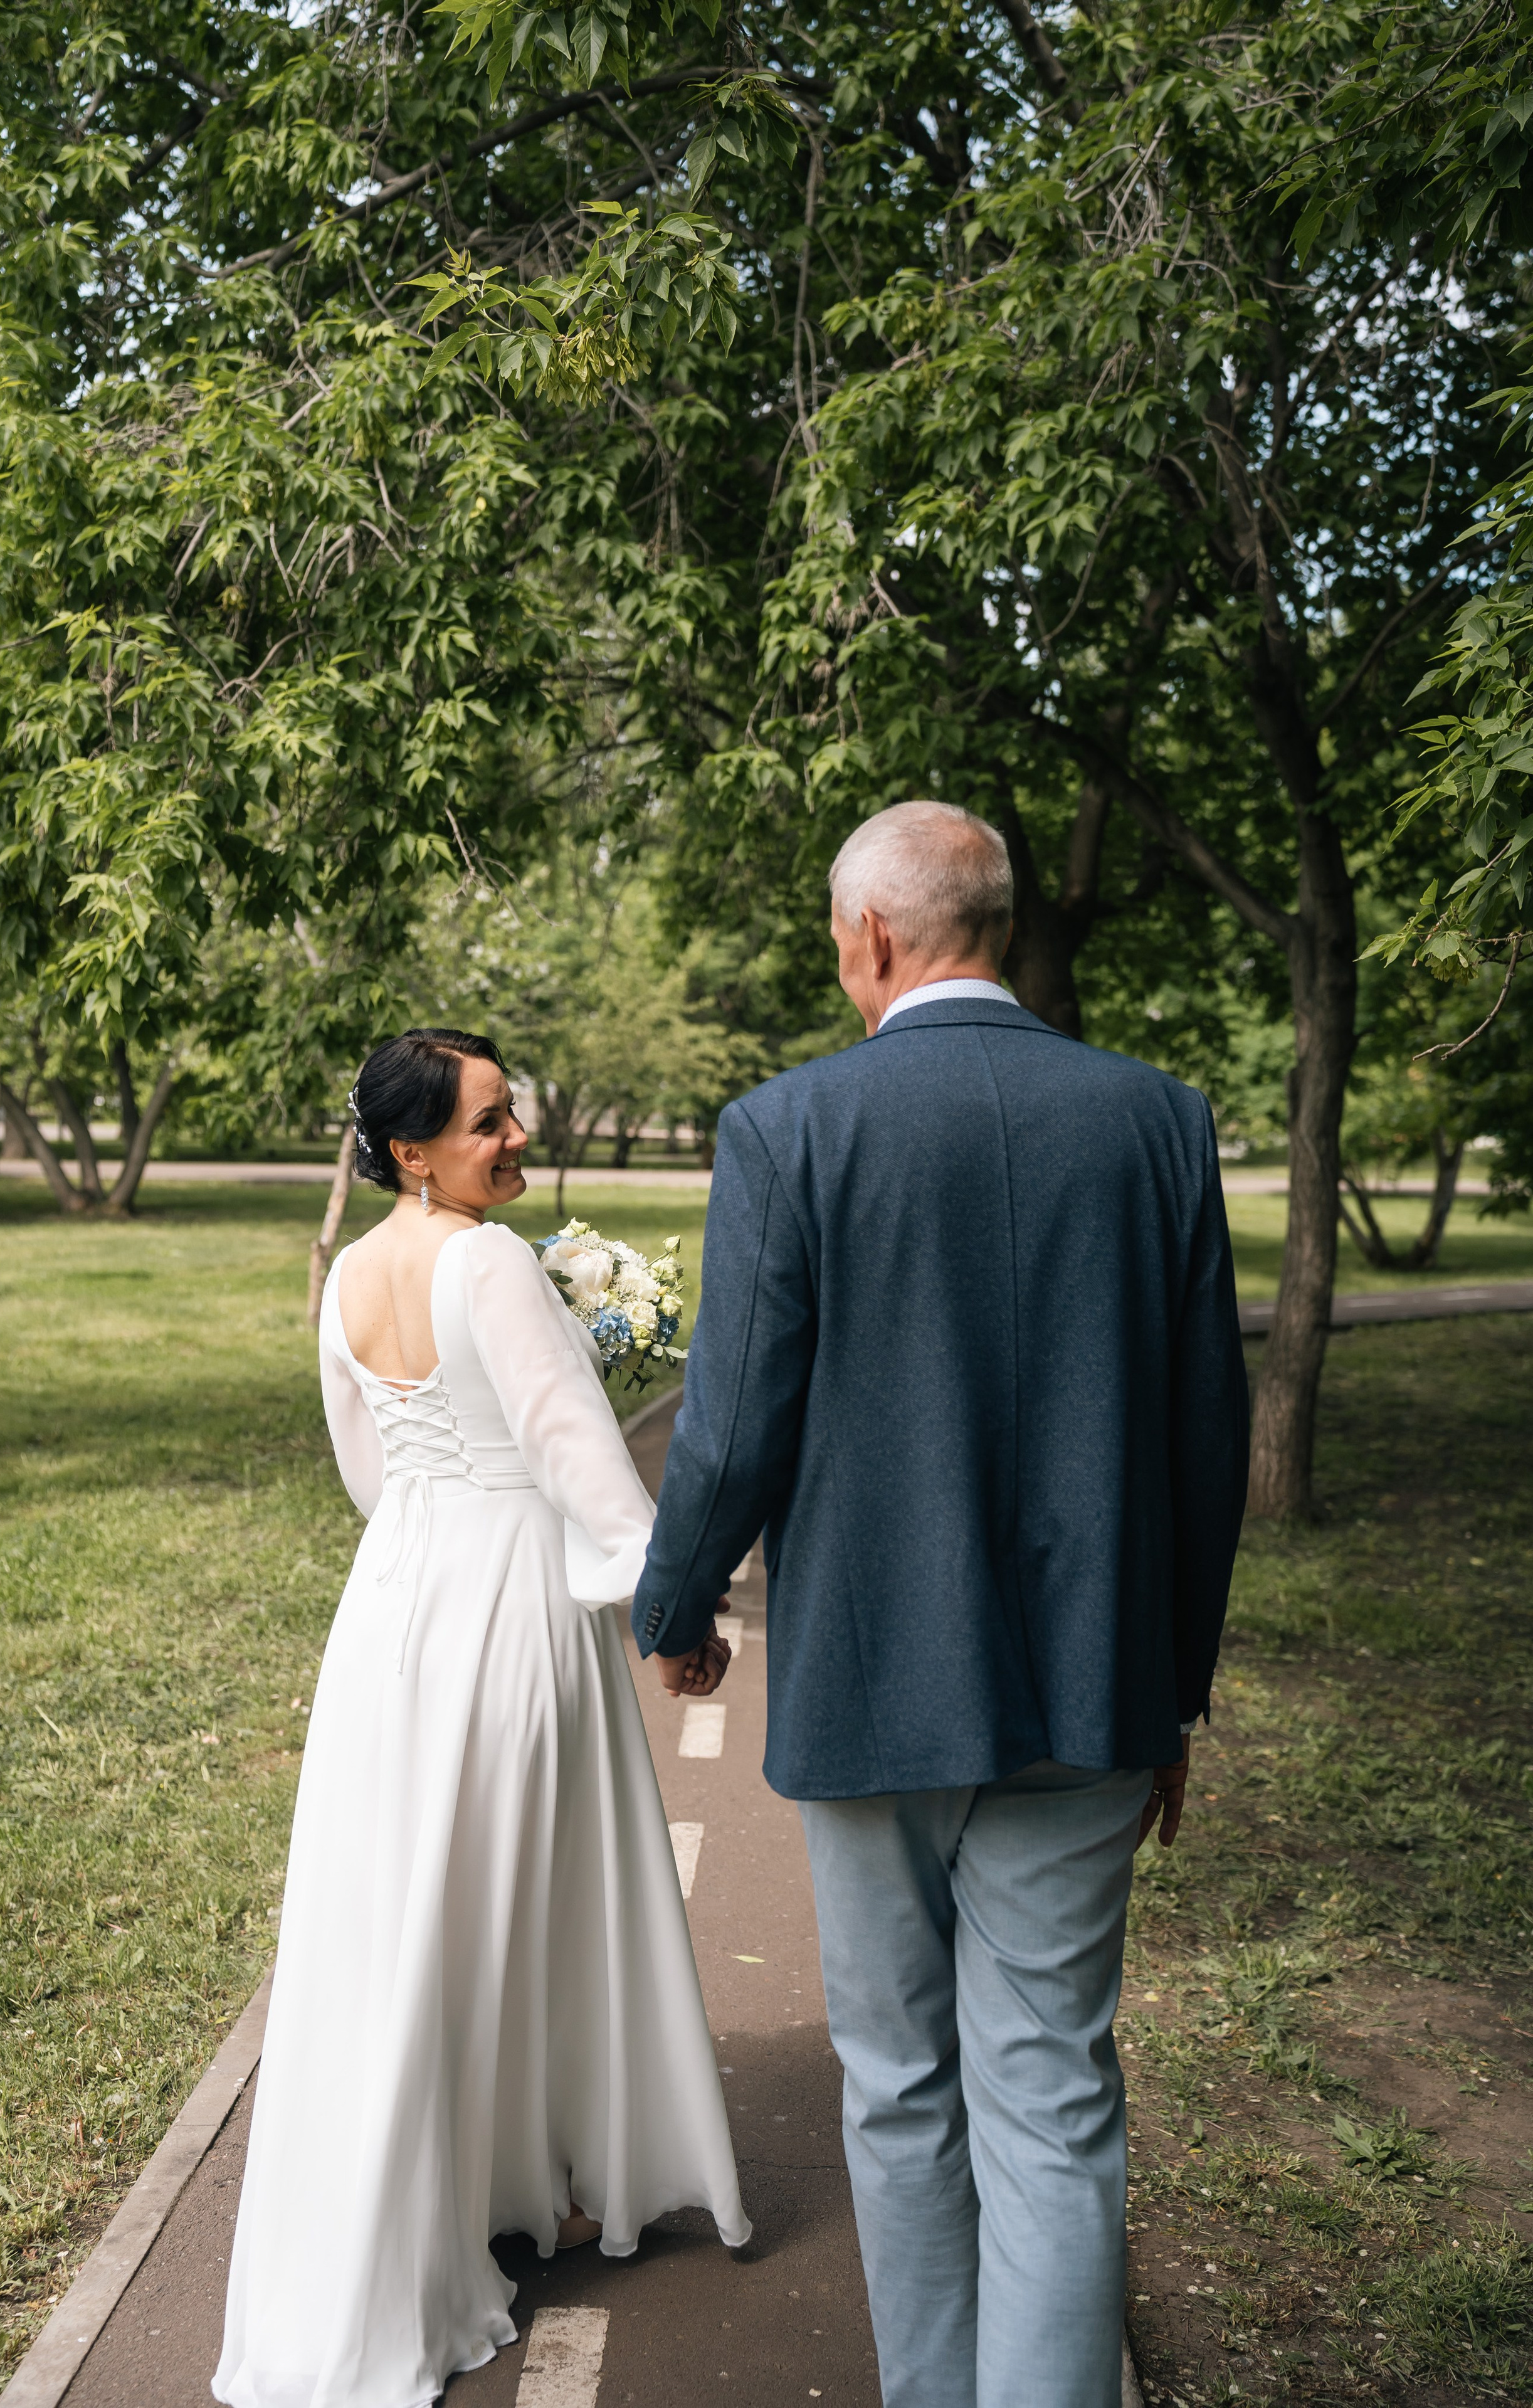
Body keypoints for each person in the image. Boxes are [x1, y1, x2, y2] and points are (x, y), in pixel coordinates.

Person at [635, 803, 1250, 2408]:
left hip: (872, 1689)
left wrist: (676, 1606)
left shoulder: (790, 1128)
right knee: (1052, 2092)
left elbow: (734, 1415)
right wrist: (1172, 1692)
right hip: (1090, 1686)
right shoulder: (1158, 1121)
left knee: (899, 2086)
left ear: (872, 940)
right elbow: (1204, 1437)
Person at [214, 1028, 747, 2408]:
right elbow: (577, 1453)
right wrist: (668, 1611)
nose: (517, 1138)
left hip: (393, 1605)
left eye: (513, 1114)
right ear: (408, 1147)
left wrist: (434, 1541)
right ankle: (528, 2186)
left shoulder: (346, 1278)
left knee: (408, 1908)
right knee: (529, 1892)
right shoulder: (492, 1263)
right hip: (510, 1606)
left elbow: (365, 1464)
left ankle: (466, 2194)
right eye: (488, 1122)